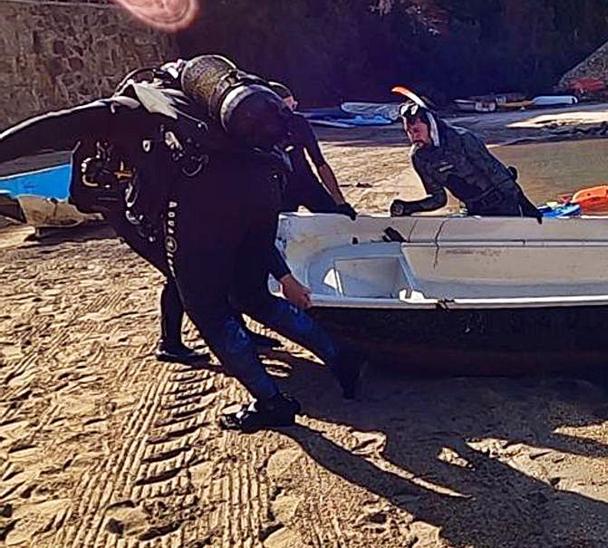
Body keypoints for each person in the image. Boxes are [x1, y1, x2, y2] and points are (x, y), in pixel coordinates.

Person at [0, 55, 361, 432]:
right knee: (253, 294)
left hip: (203, 205)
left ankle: (271, 402)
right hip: (263, 189)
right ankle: (340, 356)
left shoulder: (132, 106)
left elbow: (46, 130)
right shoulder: (213, 115)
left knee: (208, 310)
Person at [390, 100, 542, 219]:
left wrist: (524, 204)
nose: (413, 137)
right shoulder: (419, 157)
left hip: (503, 205)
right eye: (408, 132)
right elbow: (438, 199)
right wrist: (409, 207)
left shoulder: (462, 139)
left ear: (431, 126)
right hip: (473, 211)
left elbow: (498, 175)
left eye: (416, 131)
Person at [266, 82, 357, 219]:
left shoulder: (298, 123)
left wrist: (340, 201)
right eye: (287, 108)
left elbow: (319, 162)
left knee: (337, 218)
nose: (290, 113)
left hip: (306, 183)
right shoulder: (259, 130)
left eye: (293, 106)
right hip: (280, 190)